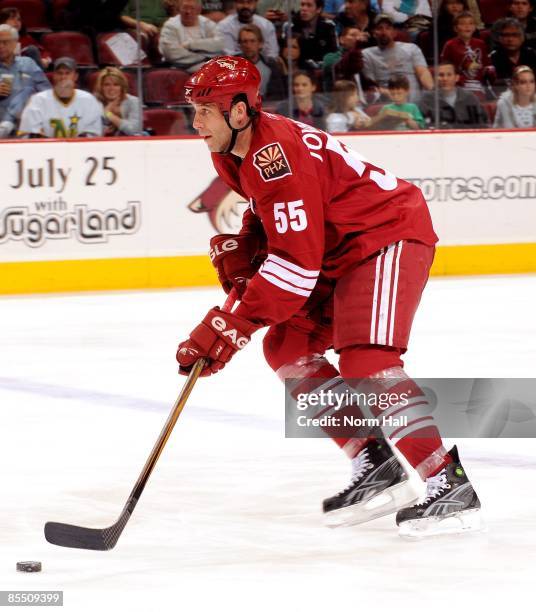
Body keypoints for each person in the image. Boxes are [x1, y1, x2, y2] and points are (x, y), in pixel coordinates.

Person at [177, 55, 483, 537]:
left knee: (367, 361)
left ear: (239, 111)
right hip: (335, 246)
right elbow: (271, 212)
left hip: (383, 236)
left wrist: (233, 325)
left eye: (205, 110)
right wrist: (249, 240)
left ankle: (448, 481)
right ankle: (375, 463)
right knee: (287, 348)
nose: (196, 123)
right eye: (192, 110)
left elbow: (296, 267)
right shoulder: (231, 151)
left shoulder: (274, 153)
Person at [18, 57, 103, 138]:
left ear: (75, 76)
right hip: (46, 151)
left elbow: (93, 137)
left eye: (67, 73)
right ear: (54, 76)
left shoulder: (89, 100)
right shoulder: (38, 100)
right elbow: (29, 136)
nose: (63, 77)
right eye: (59, 73)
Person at [362, 14, 433, 103]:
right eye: (380, 28)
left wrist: (432, 91)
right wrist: (395, 96)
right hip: (388, 104)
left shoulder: (411, 48)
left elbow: (423, 73)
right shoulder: (366, 54)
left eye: (388, 28)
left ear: (394, 33)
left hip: (415, 103)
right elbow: (372, 86)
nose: (384, 32)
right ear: (374, 33)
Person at [0, 24, 50, 138]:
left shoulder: (28, 63)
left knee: (28, 91)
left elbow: (47, 93)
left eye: (5, 42)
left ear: (15, 43)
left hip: (26, 124)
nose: (1, 46)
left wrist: (32, 100)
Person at [159, 0, 224, 72]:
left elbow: (220, 44)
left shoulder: (207, 23)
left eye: (192, 8)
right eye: (185, 8)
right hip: (179, 68)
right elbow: (171, 54)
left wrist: (190, 45)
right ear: (179, 9)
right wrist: (204, 57)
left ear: (198, 10)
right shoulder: (170, 26)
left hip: (207, 64)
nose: (188, 12)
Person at [419, 60, 488, 128]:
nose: (445, 79)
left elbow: (482, 125)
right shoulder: (427, 100)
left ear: (456, 78)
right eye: (441, 75)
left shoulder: (470, 98)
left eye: (449, 75)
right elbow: (424, 127)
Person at [441, 11, 490, 97]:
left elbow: (485, 65)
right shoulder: (450, 45)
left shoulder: (480, 43)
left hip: (478, 84)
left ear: (475, 27)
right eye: (463, 24)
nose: (467, 26)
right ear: (455, 28)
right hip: (460, 85)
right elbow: (445, 67)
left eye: (471, 23)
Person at [237, 24, 286, 100]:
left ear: (260, 44)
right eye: (244, 41)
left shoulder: (271, 65)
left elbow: (278, 95)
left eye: (252, 41)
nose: (248, 45)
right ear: (240, 45)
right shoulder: (232, 66)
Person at [93, 66, 142, 135]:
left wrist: (109, 114)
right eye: (107, 85)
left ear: (122, 87)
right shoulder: (94, 102)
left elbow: (134, 130)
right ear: (101, 87)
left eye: (116, 85)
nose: (111, 88)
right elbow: (93, 131)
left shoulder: (133, 101)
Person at [490, 18, 536, 92]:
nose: (510, 39)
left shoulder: (531, 54)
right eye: (506, 35)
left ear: (522, 37)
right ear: (498, 38)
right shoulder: (493, 59)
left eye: (515, 35)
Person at [289, 0, 338, 66]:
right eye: (302, 5)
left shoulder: (328, 27)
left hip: (323, 70)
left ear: (318, 9)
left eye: (309, 5)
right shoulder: (292, 27)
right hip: (300, 70)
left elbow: (334, 54)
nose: (304, 9)